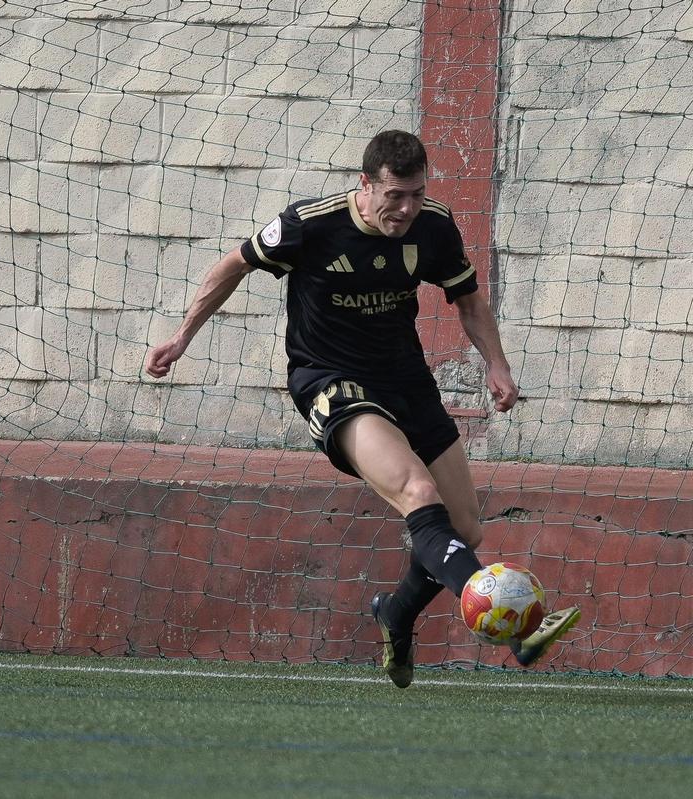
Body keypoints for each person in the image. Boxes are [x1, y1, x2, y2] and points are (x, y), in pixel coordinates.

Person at [145, 130, 579, 688]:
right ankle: (517, 631)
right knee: (418, 495)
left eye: (417, 195)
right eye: (395, 195)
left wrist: (497, 364)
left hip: (405, 380)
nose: (406, 209)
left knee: (465, 528)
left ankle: (395, 615)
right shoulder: (311, 224)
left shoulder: (434, 227)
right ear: (365, 184)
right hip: (330, 381)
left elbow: (468, 300)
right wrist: (182, 336)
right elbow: (235, 264)